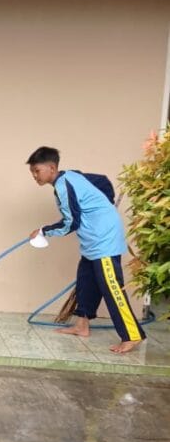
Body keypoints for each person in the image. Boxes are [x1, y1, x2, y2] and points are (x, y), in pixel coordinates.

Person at [27, 146, 145, 354]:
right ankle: (82, 325)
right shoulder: (70, 176)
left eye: (36, 170)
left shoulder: (64, 185)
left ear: (52, 168)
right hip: (93, 241)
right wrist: (104, 206)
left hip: (104, 241)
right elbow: (102, 180)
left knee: (111, 287)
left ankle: (132, 335)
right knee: (86, 281)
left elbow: (70, 222)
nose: (34, 176)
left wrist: (43, 231)